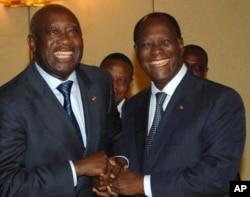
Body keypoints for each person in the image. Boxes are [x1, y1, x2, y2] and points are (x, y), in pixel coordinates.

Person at [99, 12, 246, 197]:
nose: (156, 50)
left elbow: (218, 175)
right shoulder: (132, 107)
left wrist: (145, 185)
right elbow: (129, 160)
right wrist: (113, 174)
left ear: (180, 44)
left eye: (165, 42)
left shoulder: (221, 100)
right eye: (146, 44)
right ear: (136, 51)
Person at [0, 4, 127, 197]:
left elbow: (116, 137)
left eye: (73, 31)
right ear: (32, 42)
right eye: (53, 32)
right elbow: (7, 183)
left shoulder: (100, 80)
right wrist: (76, 169)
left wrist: (117, 163)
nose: (65, 41)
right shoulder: (10, 101)